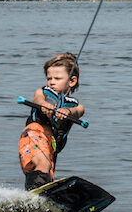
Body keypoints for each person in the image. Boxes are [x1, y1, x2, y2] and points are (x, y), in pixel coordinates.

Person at [18, 52, 85, 190]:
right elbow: (38, 99)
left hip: (51, 146)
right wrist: (45, 105)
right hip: (35, 135)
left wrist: (67, 112)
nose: (52, 82)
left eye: (57, 78)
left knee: (47, 175)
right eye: (49, 78)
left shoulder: (74, 105)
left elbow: (78, 111)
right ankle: (33, 201)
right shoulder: (43, 93)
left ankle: (39, 202)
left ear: (72, 81)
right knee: (43, 164)